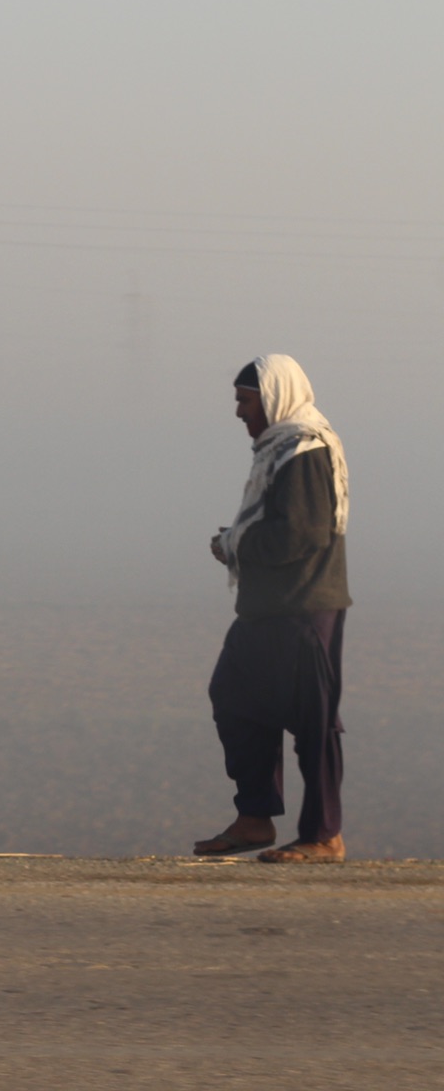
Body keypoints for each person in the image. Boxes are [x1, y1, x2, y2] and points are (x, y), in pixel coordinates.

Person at [194, 354, 351, 863]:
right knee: (236, 698)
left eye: (246, 400)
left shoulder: (304, 449)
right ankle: (255, 818)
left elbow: (304, 534)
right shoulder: (279, 449)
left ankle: (323, 836)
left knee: (313, 721)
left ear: (274, 397)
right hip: (267, 608)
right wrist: (236, 542)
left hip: (304, 606)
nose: (240, 412)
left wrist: (236, 543)